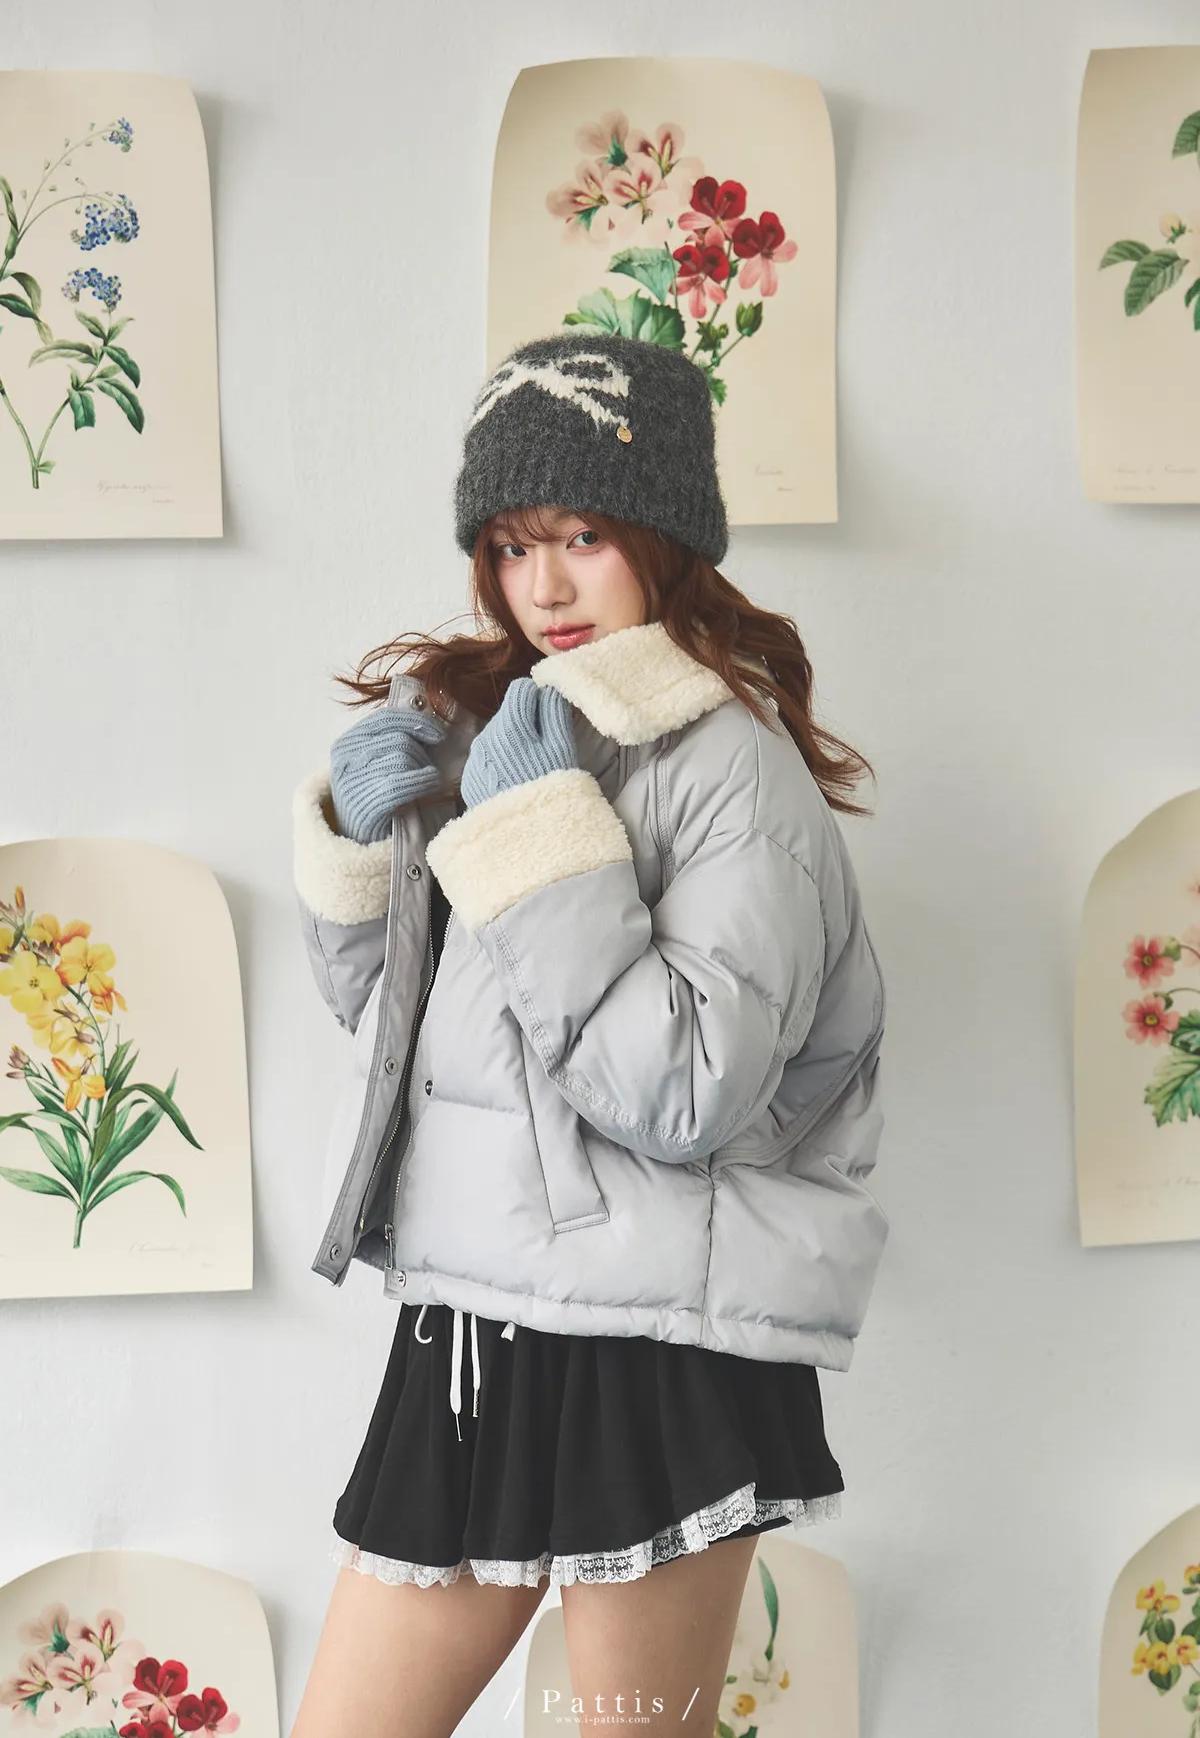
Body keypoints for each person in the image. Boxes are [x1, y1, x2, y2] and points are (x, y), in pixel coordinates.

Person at [288, 330, 889, 1737]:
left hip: (659, 1339)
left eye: (582, 536)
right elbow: (401, 1037)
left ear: (664, 536)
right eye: (510, 546)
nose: (543, 587)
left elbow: (683, 1090)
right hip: (475, 1323)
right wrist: (367, 853)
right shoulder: (499, 731)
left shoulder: (736, 771)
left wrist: (537, 838)